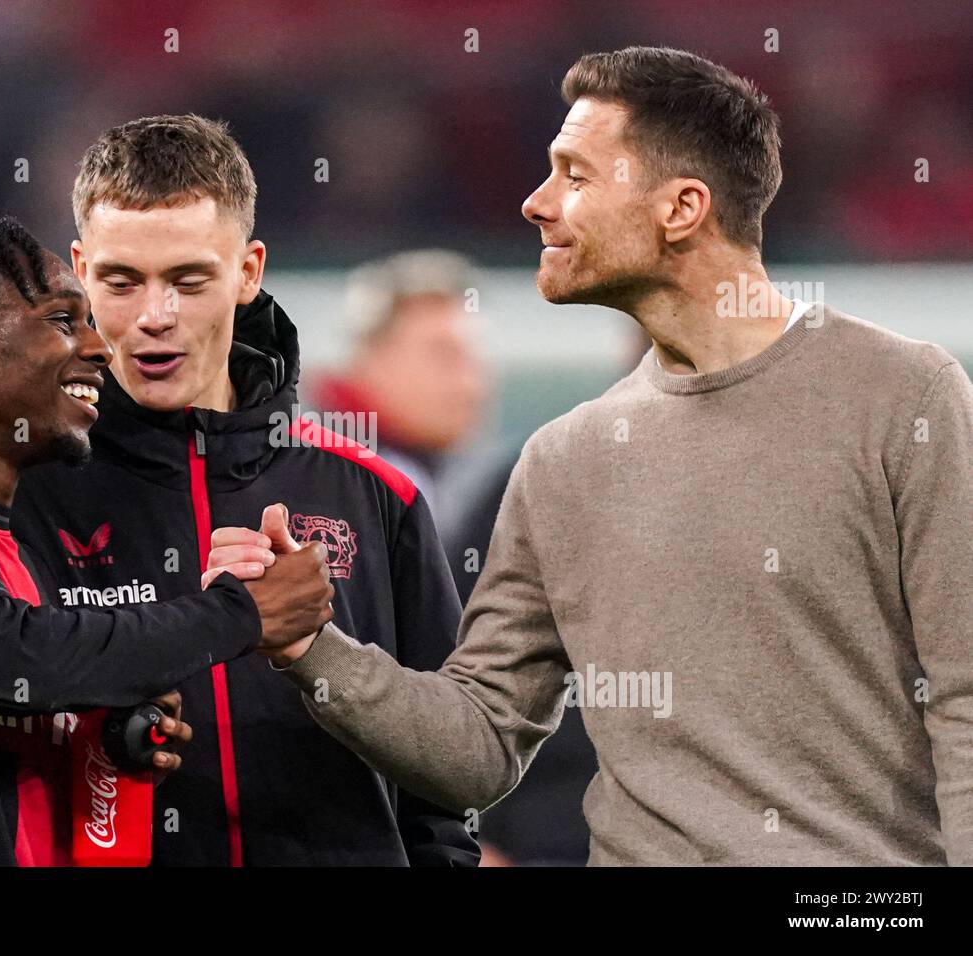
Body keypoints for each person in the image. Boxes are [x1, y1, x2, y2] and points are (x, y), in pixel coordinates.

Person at [213, 47, 973, 865]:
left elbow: (965, 698)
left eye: (574, 175)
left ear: (682, 208)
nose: (536, 204)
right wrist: (307, 645)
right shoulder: (562, 462)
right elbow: (480, 747)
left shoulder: (905, 397)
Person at [0, 117, 478, 866]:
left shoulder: (372, 494)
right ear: (80, 271)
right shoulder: (8, 488)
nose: (154, 318)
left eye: (188, 280)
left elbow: (454, 775)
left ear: (247, 273)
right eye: (120, 282)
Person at [309, 249, 487, 517]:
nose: (469, 384)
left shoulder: (434, 470)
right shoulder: (327, 478)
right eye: (443, 355)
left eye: (472, 358)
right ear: (373, 361)